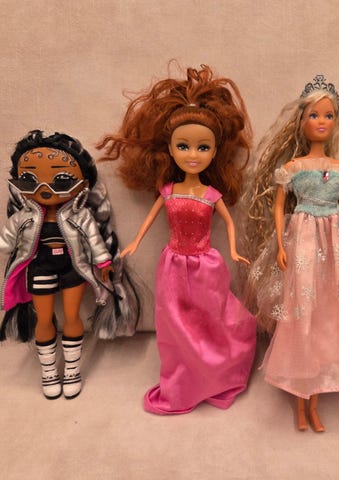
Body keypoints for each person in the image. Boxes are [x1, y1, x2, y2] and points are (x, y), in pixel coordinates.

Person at [98, 65, 257, 415]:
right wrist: (134, 243)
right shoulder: (167, 191)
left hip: (206, 265)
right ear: (170, 149)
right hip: (172, 263)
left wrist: (233, 250)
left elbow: (229, 224)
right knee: (174, 324)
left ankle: (213, 371)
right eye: (183, 146)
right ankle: (183, 376)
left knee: (209, 320)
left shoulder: (212, 194)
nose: (193, 155)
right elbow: (149, 220)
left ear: (214, 152)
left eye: (203, 147)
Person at [245, 75, 339, 432]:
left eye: (328, 115)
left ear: (335, 121)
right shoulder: (292, 168)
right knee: (302, 310)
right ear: (302, 121)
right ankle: (300, 401)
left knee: (328, 314)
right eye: (314, 115)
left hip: (336, 242)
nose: (321, 121)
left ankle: (316, 399)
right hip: (304, 238)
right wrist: (281, 245)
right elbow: (279, 207)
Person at [0, 130, 139, 399]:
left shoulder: (81, 215)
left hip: (74, 268)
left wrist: (103, 262)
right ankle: (49, 371)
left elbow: (95, 240)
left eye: (61, 180)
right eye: (29, 179)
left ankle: (72, 369)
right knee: (43, 317)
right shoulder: (23, 217)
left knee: (72, 316)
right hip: (40, 268)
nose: (44, 188)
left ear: (83, 183)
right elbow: (5, 241)